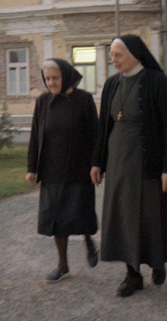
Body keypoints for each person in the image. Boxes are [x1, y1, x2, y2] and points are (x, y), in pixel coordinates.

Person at [90, 35, 167, 298]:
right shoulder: (111, 84)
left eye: (117, 55)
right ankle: (132, 274)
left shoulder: (156, 82)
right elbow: (104, 127)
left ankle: (158, 262)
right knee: (124, 219)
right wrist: (97, 162)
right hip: (119, 164)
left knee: (152, 217)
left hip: (148, 163)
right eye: (111, 55)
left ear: (135, 54)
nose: (113, 60)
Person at [26, 58, 99, 283]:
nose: (50, 83)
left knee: (80, 212)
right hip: (52, 170)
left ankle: (89, 242)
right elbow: (36, 135)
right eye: (47, 78)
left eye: (55, 78)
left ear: (65, 76)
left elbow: (96, 136)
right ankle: (63, 265)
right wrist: (31, 167)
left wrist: (96, 164)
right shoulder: (43, 101)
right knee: (56, 218)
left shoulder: (84, 100)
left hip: (79, 168)